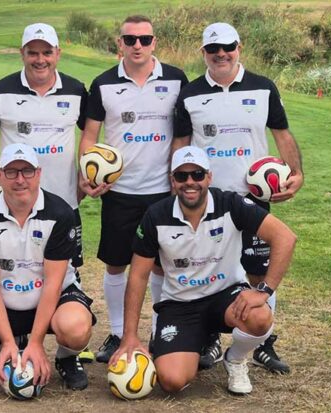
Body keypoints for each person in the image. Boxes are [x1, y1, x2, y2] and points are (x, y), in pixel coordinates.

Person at [0, 23, 94, 363]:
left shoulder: (77, 91)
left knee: (62, 277)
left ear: (58, 54)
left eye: (47, 52)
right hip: (13, 203)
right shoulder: (2, 91)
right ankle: (10, 343)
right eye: (33, 52)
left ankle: (66, 355)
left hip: (63, 206)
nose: (40, 59)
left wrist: (89, 175)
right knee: (13, 274)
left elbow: (90, 137)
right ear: (23, 54)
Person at [171, 22, 304, 374]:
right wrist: (177, 183)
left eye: (227, 47)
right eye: (213, 49)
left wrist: (297, 174)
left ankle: (262, 343)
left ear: (239, 47)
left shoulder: (263, 87)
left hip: (253, 200)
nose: (221, 54)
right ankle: (210, 337)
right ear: (204, 53)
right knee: (211, 270)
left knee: (259, 273)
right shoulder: (190, 93)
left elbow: (282, 134)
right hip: (205, 202)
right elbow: (181, 144)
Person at [109, 146, 296, 394]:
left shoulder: (231, 203)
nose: (190, 182)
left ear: (209, 176)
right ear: (172, 180)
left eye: (197, 174)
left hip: (226, 296)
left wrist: (263, 290)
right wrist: (129, 336)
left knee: (260, 317)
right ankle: (196, 341)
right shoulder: (156, 215)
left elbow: (285, 237)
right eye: (181, 176)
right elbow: (138, 275)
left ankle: (236, 359)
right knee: (172, 381)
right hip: (181, 304)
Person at [78, 15, 188, 362]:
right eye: (130, 40)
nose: (137, 45)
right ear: (119, 44)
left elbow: (183, 133)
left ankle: (158, 333)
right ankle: (115, 334)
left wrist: (179, 177)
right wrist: (89, 174)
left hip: (162, 193)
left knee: (159, 266)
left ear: (154, 42)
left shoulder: (175, 79)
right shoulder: (103, 84)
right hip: (119, 192)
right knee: (116, 265)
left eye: (144, 39)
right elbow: (90, 137)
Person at [0, 144, 96, 391]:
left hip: (54, 297)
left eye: (27, 171)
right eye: (12, 172)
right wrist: (7, 341)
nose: (20, 179)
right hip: (8, 299)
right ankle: (12, 344)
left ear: (39, 173)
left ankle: (66, 357)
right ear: (0, 176)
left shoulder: (60, 213)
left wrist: (37, 343)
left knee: (76, 329)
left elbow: (52, 284)